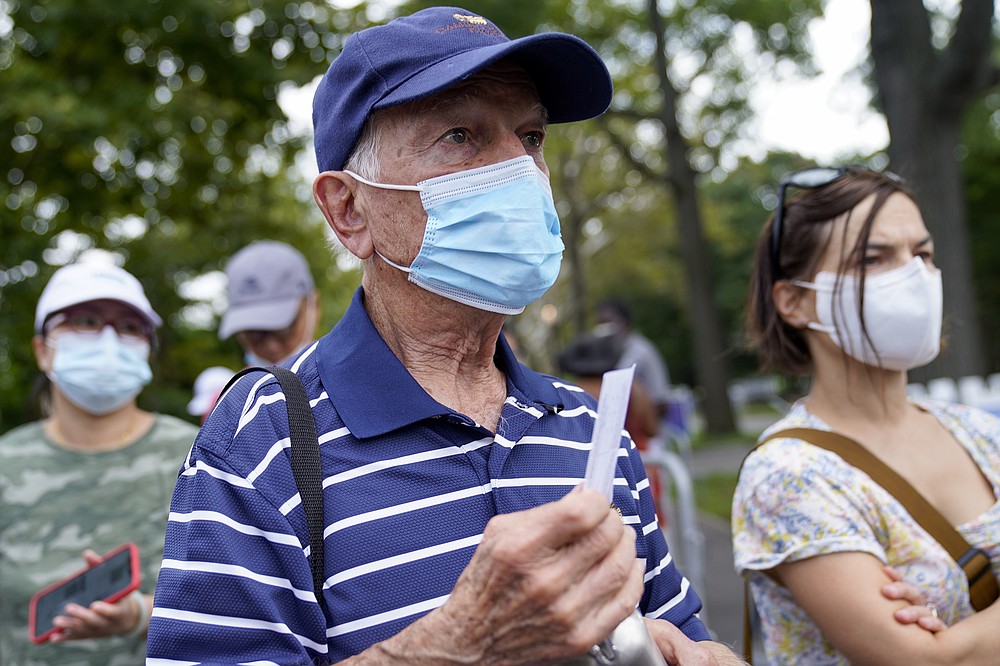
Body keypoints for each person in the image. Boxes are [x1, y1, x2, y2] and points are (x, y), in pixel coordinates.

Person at [147, 7, 746, 664]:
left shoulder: (586, 425)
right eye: (461, 134)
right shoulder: (262, 443)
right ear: (349, 210)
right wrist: (457, 645)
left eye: (532, 136)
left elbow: (683, 629)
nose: (520, 168)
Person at [733, 166, 1000, 664]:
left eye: (922, 253)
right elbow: (928, 661)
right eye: (875, 259)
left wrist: (960, 635)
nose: (914, 276)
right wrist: (944, 649)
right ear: (793, 300)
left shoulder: (977, 430)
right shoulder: (789, 475)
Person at [0, 261, 198, 664]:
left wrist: (140, 613)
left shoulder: (201, 456)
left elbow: (236, 590)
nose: (108, 338)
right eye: (85, 321)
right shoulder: (6, 463)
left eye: (128, 327)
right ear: (42, 349)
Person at [219, 239, 320, 366]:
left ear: (313, 305)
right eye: (253, 333)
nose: (271, 347)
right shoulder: (238, 385)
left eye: (284, 330)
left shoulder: (345, 380)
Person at [596, 298, 672, 426]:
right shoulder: (622, 349)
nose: (603, 329)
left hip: (650, 422)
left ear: (623, 322)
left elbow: (616, 381)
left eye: (607, 322)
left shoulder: (638, 350)